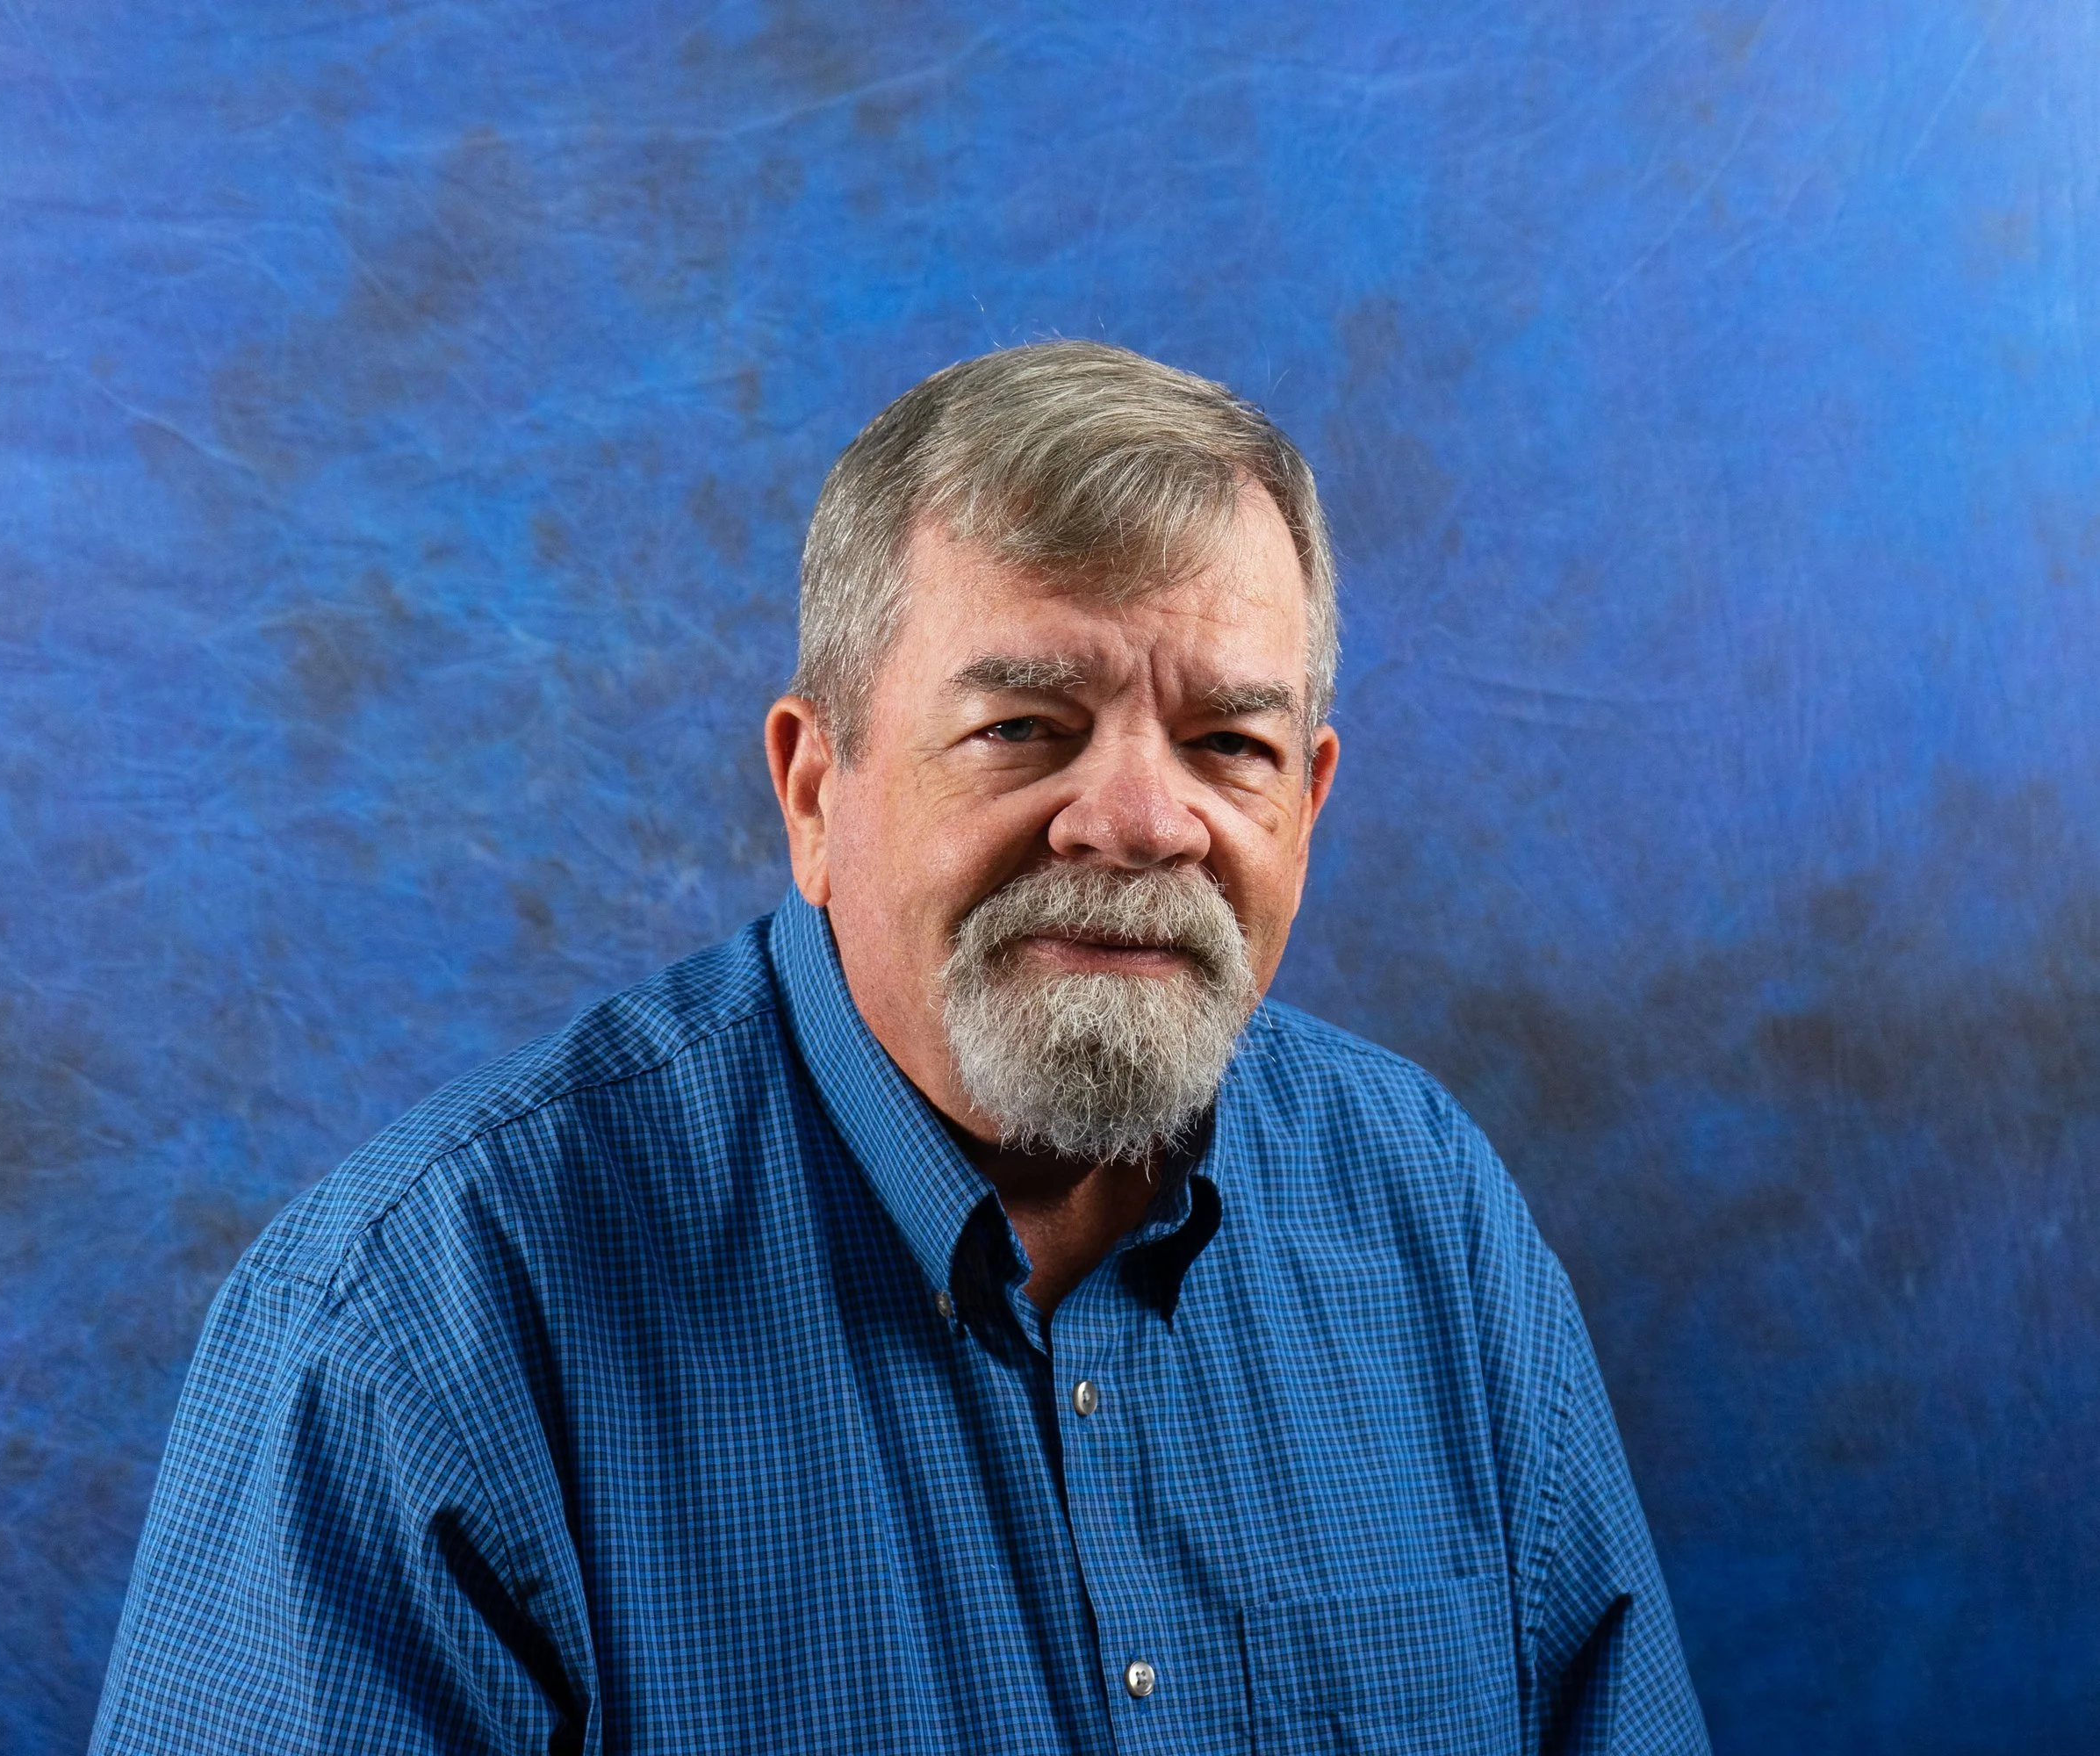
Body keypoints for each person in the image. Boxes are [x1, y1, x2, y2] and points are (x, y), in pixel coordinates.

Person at [91, 341, 1710, 1753]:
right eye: (1025, 729)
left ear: (1312, 798)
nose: (1143, 821)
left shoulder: (1432, 1224)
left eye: (1231, 744)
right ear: (813, 789)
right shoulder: (420, 1331)